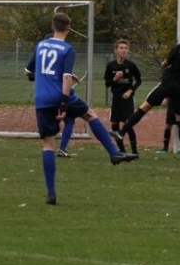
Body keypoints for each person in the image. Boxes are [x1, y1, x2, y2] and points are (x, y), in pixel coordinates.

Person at [33, 11, 137, 205]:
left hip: (41, 98)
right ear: (69, 28)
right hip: (60, 94)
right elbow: (65, 77)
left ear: (52, 26)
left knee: (48, 144)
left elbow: (29, 72)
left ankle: (51, 193)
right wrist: (64, 102)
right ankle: (113, 153)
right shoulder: (67, 49)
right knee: (89, 114)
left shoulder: (40, 45)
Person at [111, 25, 180, 165]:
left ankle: (121, 133)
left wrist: (165, 63)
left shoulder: (177, 48)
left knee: (144, 107)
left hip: (167, 84)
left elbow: (164, 64)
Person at [104, 39, 142, 155]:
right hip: (116, 99)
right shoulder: (111, 66)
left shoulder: (131, 65)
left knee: (128, 124)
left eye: (126, 48)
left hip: (127, 99)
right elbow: (107, 84)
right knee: (114, 125)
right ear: (116, 50)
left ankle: (134, 151)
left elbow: (139, 80)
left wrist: (130, 91)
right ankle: (122, 150)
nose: (124, 50)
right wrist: (115, 78)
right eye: (121, 48)